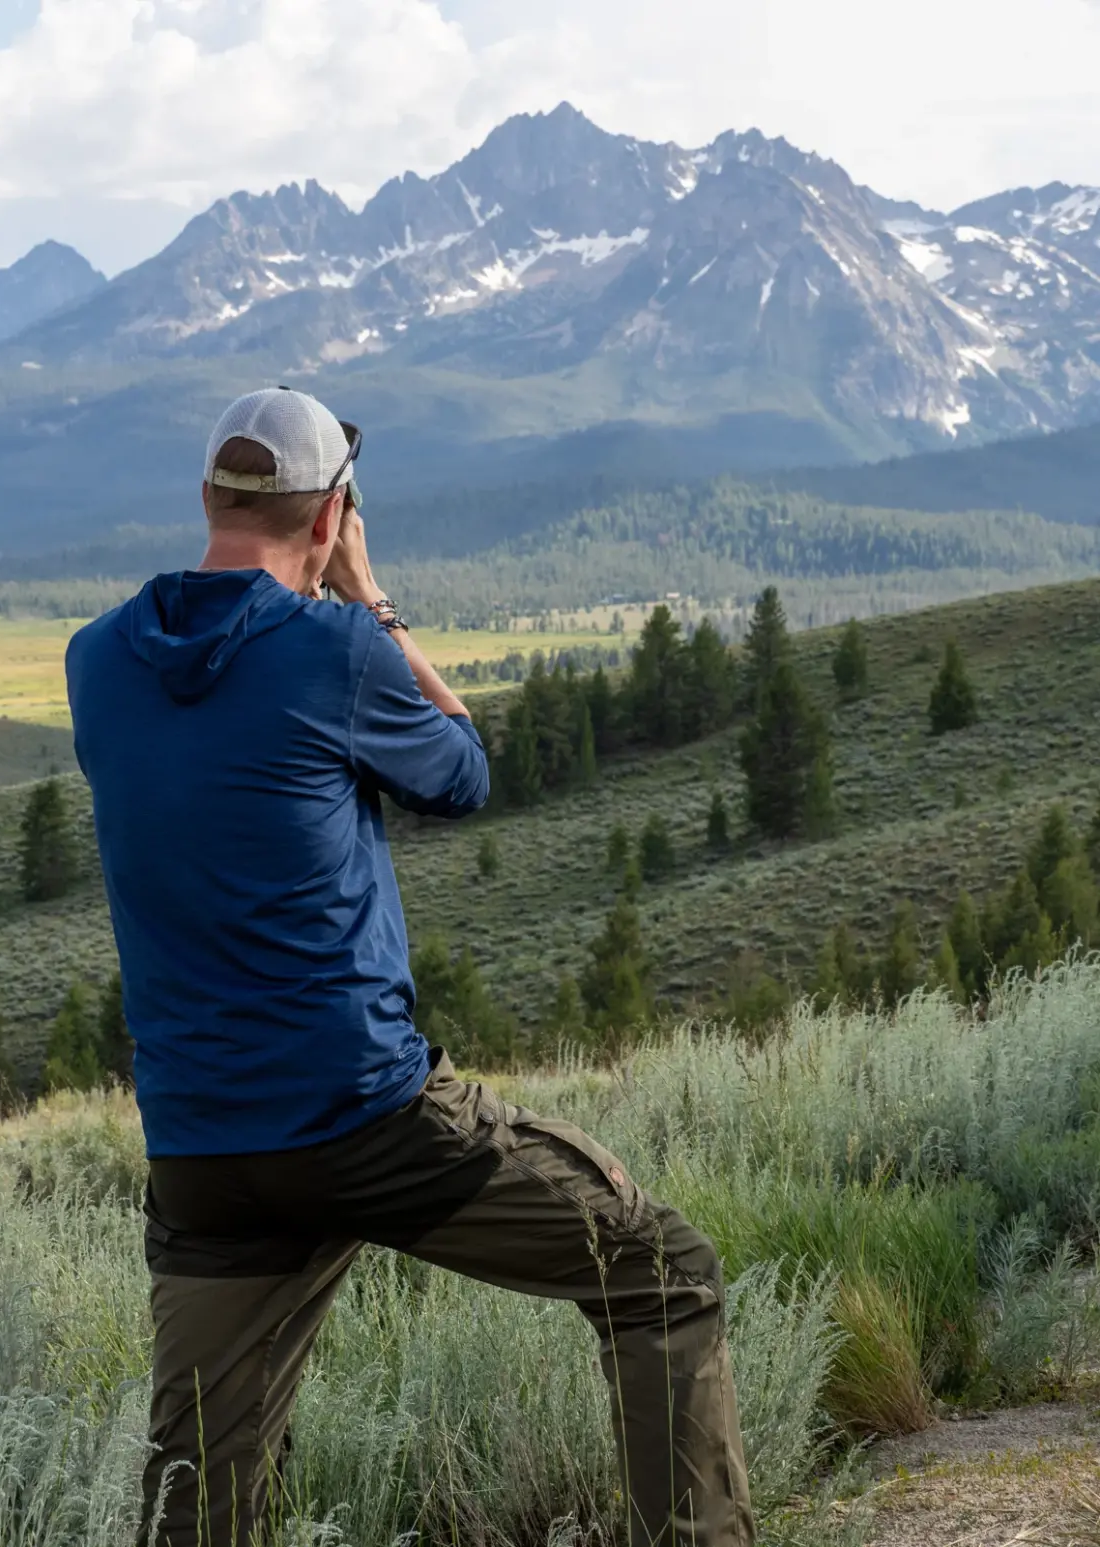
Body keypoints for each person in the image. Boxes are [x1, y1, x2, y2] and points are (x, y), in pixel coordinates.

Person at [66, 387, 756, 1547]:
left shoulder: (96, 662)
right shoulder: (332, 650)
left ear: (206, 497)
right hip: (369, 1123)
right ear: (330, 514)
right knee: (663, 1271)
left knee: (200, 1480)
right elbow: (462, 770)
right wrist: (367, 595)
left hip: (202, 1149)